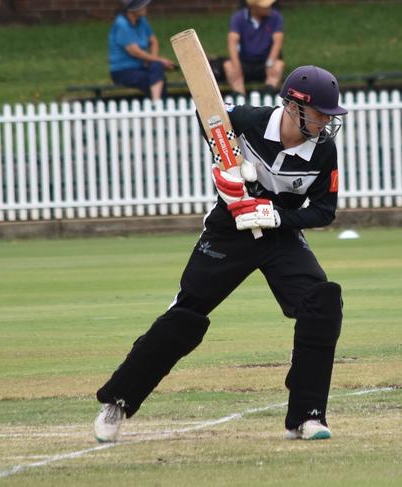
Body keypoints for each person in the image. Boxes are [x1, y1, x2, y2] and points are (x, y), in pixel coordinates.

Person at [94, 65, 348, 443]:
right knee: (185, 315)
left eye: (330, 114)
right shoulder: (247, 120)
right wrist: (224, 172)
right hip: (229, 233)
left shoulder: (324, 150)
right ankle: (117, 401)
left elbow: (325, 210)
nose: (327, 121)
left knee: (322, 302)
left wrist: (277, 215)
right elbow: (208, 114)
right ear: (294, 106)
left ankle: (307, 416)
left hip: (280, 236)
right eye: (321, 113)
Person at [108, 0, 176, 101]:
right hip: (122, 71)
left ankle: (157, 106)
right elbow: (134, 51)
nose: (145, 7)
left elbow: (153, 42)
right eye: (140, 5)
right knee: (153, 80)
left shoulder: (142, 20)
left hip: (141, 66)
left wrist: (153, 61)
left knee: (156, 68)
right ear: (131, 9)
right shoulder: (121, 24)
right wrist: (160, 60)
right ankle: (158, 106)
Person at [223, 0, 284, 95]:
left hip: (265, 62)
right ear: (253, 7)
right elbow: (232, 43)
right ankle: (240, 96)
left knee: (278, 65)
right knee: (229, 66)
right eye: (265, 6)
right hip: (244, 62)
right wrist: (236, 66)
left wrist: (270, 63)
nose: (269, 7)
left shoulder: (276, 17)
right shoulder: (238, 18)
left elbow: (278, 41)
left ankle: (268, 92)